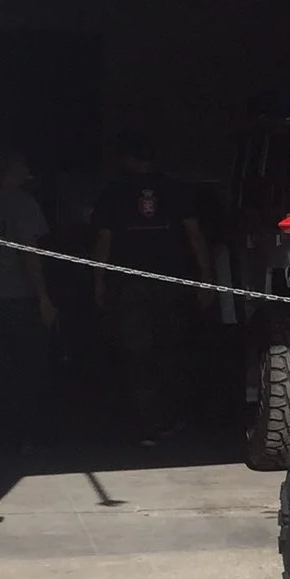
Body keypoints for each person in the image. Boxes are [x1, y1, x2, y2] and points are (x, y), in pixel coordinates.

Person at [90, 130, 212, 442]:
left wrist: (99, 280)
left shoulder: (114, 191)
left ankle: (147, 424)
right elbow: (195, 236)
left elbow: (104, 240)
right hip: (171, 281)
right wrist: (206, 278)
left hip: (129, 283)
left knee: (138, 355)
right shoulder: (176, 189)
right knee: (171, 351)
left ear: (128, 158)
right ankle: (171, 420)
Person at [0, 148, 57, 449]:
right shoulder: (22, 203)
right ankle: (25, 435)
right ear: (12, 171)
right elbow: (30, 253)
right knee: (28, 367)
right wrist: (44, 297)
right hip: (18, 297)